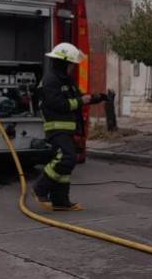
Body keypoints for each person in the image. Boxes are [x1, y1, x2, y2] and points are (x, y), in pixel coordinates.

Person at [31, 42, 105, 211]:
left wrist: (98, 98)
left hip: (66, 128)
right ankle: (39, 189)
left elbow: (79, 98)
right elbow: (57, 104)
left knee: (68, 161)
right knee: (66, 157)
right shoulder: (50, 80)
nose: (72, 68)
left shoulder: (65, 80)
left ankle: (60, 200)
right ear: (62, 63)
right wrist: (80, 101)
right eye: (70, 64)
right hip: (56, 128)